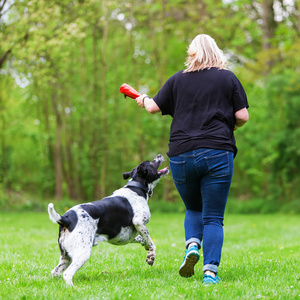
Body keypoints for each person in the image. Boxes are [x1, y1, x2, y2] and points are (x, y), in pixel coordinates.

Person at [134, 34, 249, 285]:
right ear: (216, 52)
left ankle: (192, 245)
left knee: (194, 208)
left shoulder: (177, 80)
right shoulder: (227, 78)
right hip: (218, 152)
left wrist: (141, 99)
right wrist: (228, 128)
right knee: (213, 217)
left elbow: (153, 107)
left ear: (192, 53)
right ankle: (209, 273)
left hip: (181, 155)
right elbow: (243, 116)